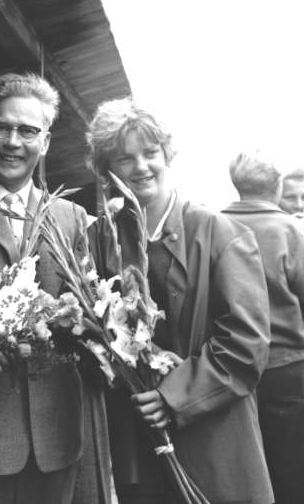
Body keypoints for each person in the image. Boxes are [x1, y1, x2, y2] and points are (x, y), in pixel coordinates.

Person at [0, 72, 111, 504]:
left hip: (58, 434)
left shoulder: (70, 216)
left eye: (28, 131)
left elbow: (88, 318)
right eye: (2, 127)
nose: (13, 142)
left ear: (45, 142)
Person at [86, 97, 273, 504]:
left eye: (150, 152)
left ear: (167, 155)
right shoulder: (100, 239)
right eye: (124, 158)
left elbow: (248, 344)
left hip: (214, 435)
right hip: (140, 443)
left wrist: (172, 396)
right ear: (105, 170)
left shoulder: (219, 232)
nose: (141, 167)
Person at [223, 151, 304, 504]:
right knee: (293, 469)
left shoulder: (214, 226)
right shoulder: (291, 231)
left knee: (250, 468)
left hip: (230, 369)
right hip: (287, 372)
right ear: (277, 186)